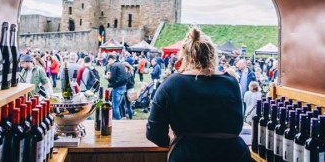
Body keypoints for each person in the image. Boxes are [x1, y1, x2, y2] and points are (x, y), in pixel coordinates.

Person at [146, 27, 250, 162]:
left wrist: (173, 143)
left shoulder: (171, 83)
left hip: (188, 155)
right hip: (234, 155)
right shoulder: (232, 82)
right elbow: (236, 125)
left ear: (184, 56)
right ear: (213, 55)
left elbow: (154, 131)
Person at [104, 54, 128, 120]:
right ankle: (122, 116)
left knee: (115, 106)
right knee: (120, 104)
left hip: (117, 87)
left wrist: (107, 78)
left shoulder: (114, 66)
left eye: (108, 61)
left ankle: (118, 120)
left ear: (110, 59)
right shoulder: (121, 64)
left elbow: (112, 78)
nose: (108, 62)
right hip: (124, 86)